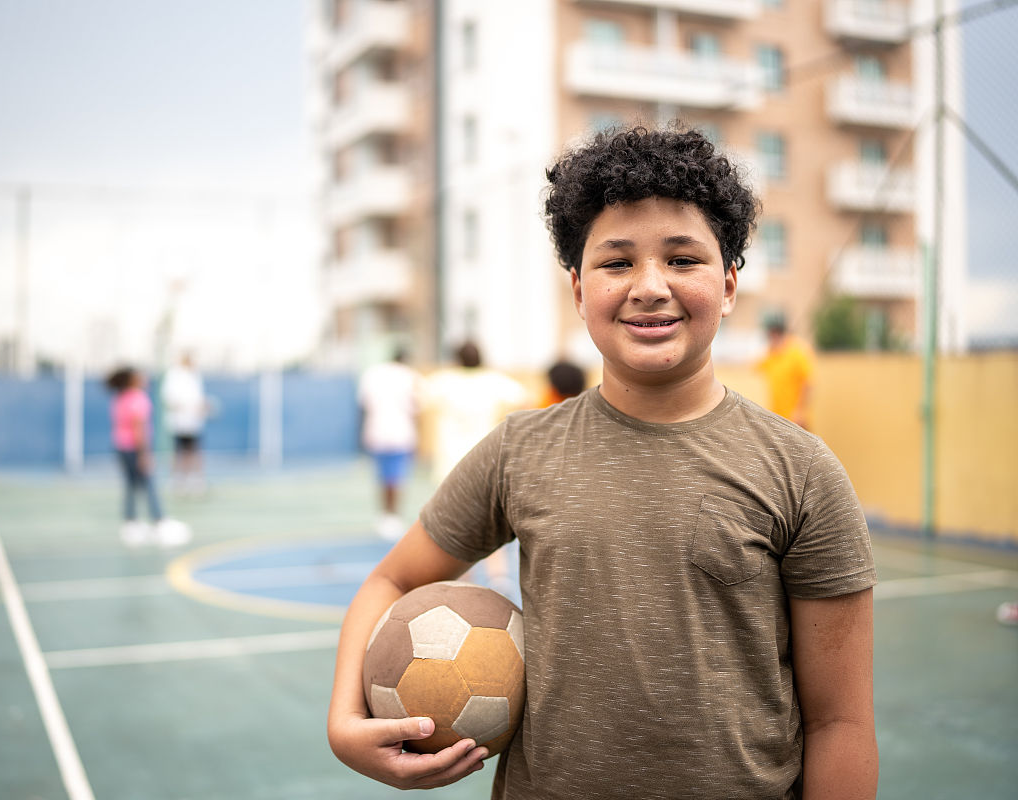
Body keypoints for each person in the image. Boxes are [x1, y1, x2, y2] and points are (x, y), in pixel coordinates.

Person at [328, 126, 878, 798]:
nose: (650, 286)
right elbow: (390, 582)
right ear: (579, 290)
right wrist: (344, 723)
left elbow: (840, 722)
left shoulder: (802, 470)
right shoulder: (519, 451)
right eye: (617, 263)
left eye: (683, 259)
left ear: (730, 286)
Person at [422, 341, 528, 597]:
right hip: (487, 462)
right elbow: (524, 397)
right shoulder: (493, 381)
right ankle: (498, 576)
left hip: (451, 464)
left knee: (457, 530)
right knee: (494, 523)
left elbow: (421, 397)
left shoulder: (444, 381)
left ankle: (465, 582)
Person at [105, 366, 190, 548]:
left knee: (130, 485)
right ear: (132, 380)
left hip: (121, 446)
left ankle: (130, 522)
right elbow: (139, 428)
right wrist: (144, 454)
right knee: (149, 483)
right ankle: (159, 521)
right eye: (140, 376)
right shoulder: (138, 398)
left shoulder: (120, 398)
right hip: (135, 448)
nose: (145, 378)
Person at [358, 347, 423, 541]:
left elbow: (364, 403)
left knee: (383, 476)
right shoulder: (409, 376)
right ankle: (392, 515)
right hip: (399, 432)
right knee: (396, 477)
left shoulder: (373, 374)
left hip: (377, 431)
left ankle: (386, 515)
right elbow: (417, 405)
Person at [160, 351, 211, 495]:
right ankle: (177, 480)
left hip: (194, 422)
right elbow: (170, 399)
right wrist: (186, 408)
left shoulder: (195, 375)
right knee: (179, 451)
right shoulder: (174, 375)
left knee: (194, 451)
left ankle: (195, 480)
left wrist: (202, 407)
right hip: (180, 421)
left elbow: (198, 398)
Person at [756, 312, 814, 429]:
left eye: (774, 333)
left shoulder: (797, 351)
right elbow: (753, 370)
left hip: (795, 419)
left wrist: (799, 411)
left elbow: (808, 383)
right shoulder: (770, 354)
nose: (772, 338)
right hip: (777, 418)